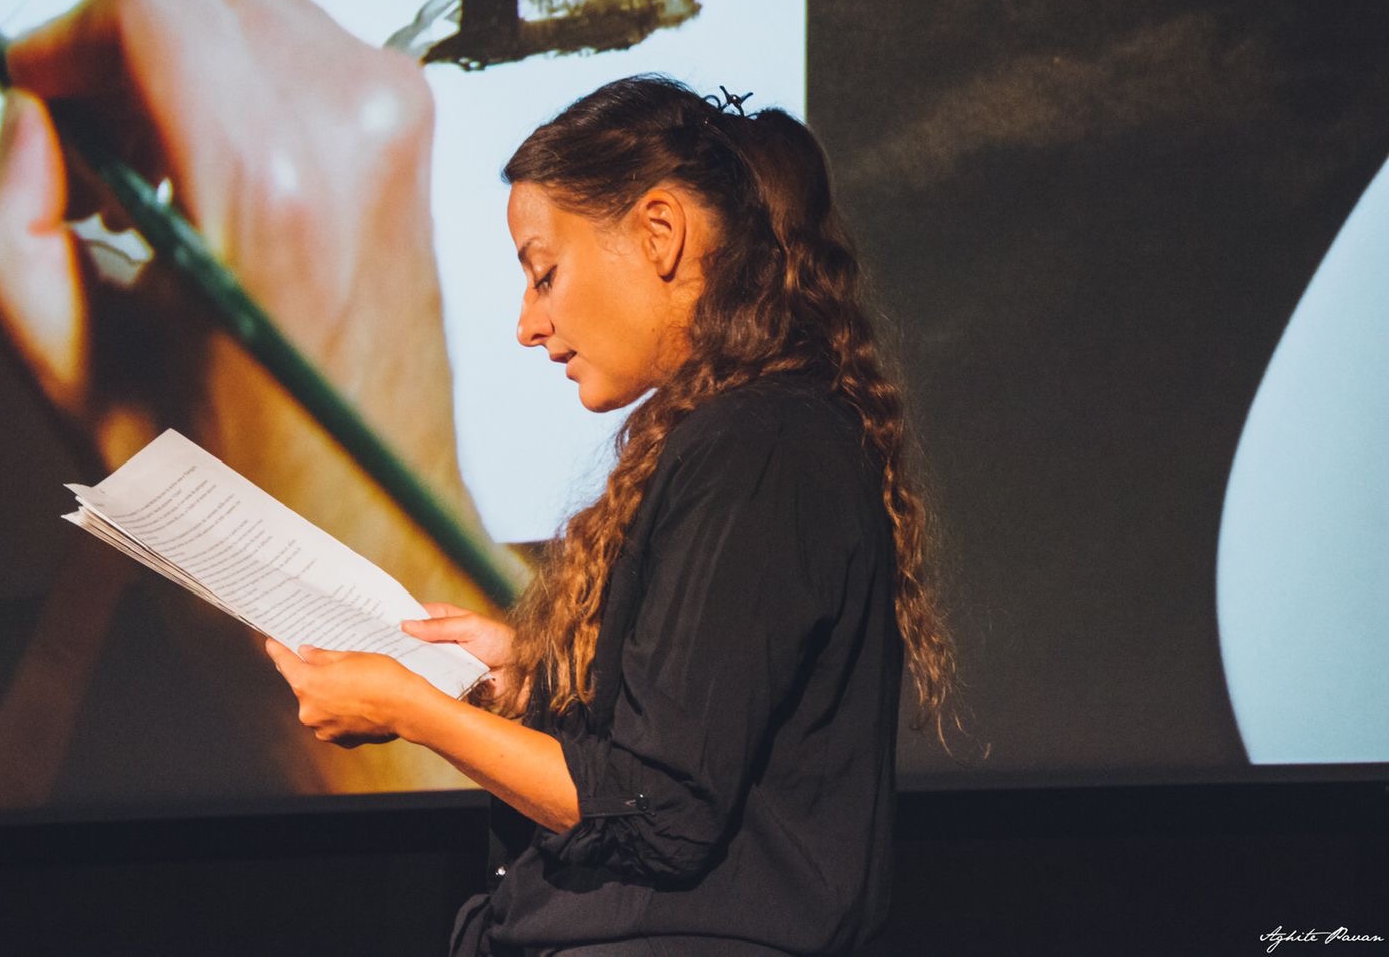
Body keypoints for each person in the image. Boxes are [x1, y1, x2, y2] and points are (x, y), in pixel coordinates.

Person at [262, 75, 955, 955]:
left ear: (660, 233)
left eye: (545, 275)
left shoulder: (760, 448)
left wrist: (413, 710)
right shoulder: (735, 438)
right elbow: (700, 712)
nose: (527, 323)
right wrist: (534, 675)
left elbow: (657, 809)